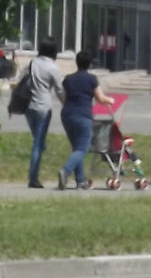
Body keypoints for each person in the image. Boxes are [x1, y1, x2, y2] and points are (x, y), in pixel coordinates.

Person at [59, 49, 117, 189]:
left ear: (77, 63)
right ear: (90, 64)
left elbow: (64, 98)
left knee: (76, 148)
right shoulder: (91, 79)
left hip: (67, 115)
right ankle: (65, 171)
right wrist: (111, 100)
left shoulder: (68, 79)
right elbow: (100, 98)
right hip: (83, 115)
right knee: (82, 149)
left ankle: (80, 181)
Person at [23, 38, 66, 188]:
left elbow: (22, 80)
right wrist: (65, 105)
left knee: (38, 140)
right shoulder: (52, 68)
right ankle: (33, 178)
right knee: (38, 143)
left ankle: (40, 151)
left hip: (28, 106)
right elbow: (60, 89)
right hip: (43, 107)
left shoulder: (31, 63)